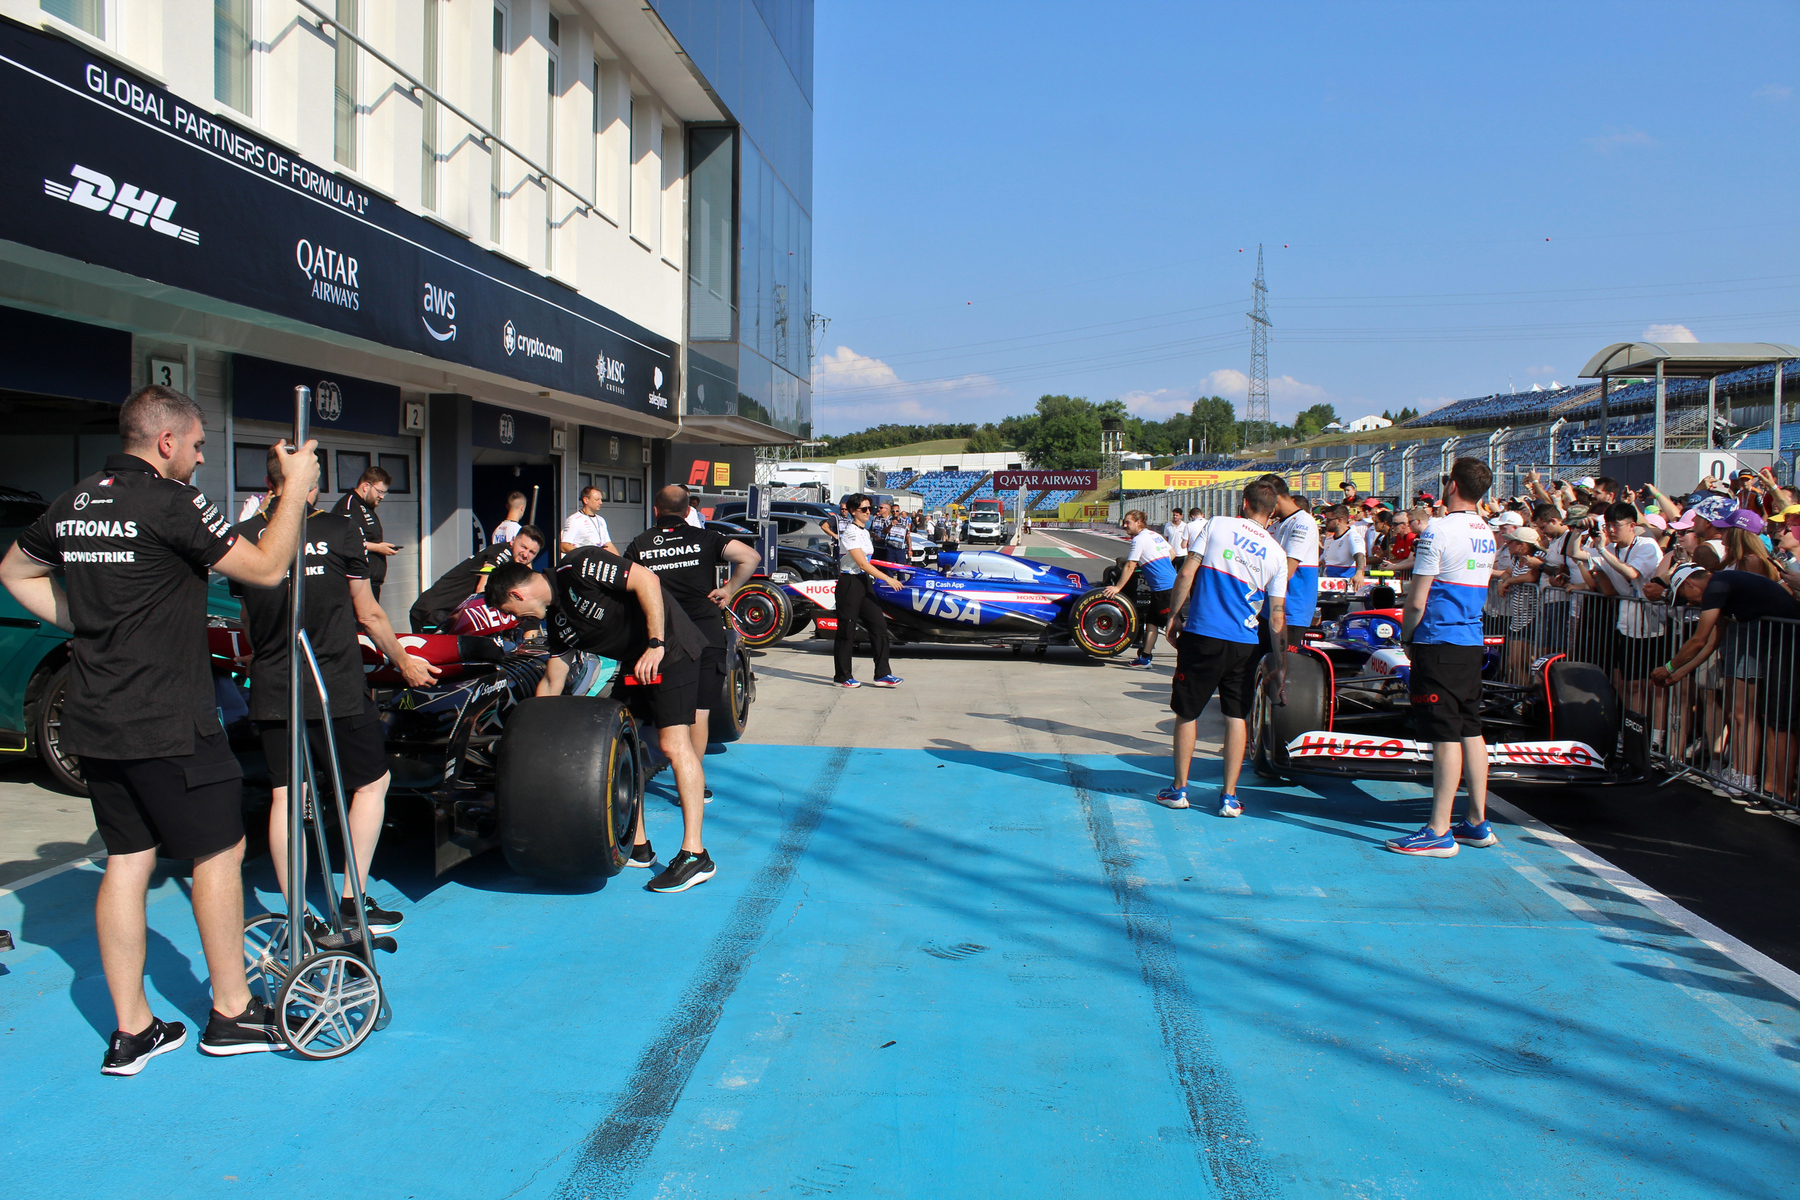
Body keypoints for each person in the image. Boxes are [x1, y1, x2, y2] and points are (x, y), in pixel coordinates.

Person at [0, 385, 324, 1072]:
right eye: (200, 444)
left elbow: (14, 570)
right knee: (217, 853)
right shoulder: (172, 502)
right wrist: (295, 487)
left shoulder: (78, 500)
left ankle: (132, 1032)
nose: (203, 457)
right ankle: (232, 1014)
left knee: (128, 859)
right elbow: (266, 569)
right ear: (167, 442)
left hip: (94, 718)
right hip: (169, 718)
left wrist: (87, 621)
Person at [236, 447, 439, 937]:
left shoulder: (244, 536)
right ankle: (351, 902)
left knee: (288, 795)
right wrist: (404, 660)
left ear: (267, 483)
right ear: (309, 485)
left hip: (274, 683)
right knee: (371, 782)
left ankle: (298, 918)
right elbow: (367, 612)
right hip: (335, 682)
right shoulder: (336, 529)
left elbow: (246, 620)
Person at [485, 546, 716, 891]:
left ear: (516, 594)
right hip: (636, 663)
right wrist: (530, 735)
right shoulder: (559, 620)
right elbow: (553, 679)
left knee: (672, 744)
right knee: (626, 745)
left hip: (670, 649)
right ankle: (639, 847)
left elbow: (647, 580)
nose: (517, 620)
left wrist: (656, 642)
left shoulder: (578, 566)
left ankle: (695, 855)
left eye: (511, 611)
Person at [1386, 457, 1499, 858]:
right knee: (1471, 729)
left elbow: (1417, 598)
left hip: (1439, 640)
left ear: (1451, 485)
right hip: (1470, 641)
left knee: (1446, 733)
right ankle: (1475, 821)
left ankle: (1438, 830)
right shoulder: (1486, 530)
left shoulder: (1439, 530)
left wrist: (1407, 637)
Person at [1160, 481, 1288, 816]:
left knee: (1187, 712)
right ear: (1272, 512)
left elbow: (1187, 572)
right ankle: (1229, 796)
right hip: (1245, 643)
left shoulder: (1216, 524)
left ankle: (1179, 789)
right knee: (1236, 716)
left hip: (1203, 634)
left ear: (1244, 502)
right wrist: (1281, 662)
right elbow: (1276, 617)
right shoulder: (1276, 553)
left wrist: (1173, 616)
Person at [625, 484, 761, 795]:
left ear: (656, 510)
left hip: (663, 638)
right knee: (699, 711)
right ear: (689, 511)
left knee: (664, 707)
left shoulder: (641, 544)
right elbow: (750, 557)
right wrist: (729, 589)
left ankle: (641, 766)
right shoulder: (706, 538)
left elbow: (627, 585)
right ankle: (692, 785)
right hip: (705, 634)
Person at [410, 525, 545, 633]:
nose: (525, 554)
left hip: (448, 616)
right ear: (513, 541)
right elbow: (483, 587)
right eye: (523, 547)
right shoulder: (503, 552)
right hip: (432, 613)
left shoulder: (515, 566)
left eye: (532, 552)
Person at [833, 493, 904, 689]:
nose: (868, 512)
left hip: (864, 582)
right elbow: (862, 563)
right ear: (853, 511)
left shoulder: (864, 531)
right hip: (849, 582)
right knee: (846, 630)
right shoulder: (850, 532)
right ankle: (842, 676)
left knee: (879, 627)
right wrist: (888, 578)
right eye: (864, 509)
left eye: (869, 508)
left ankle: (882, 674)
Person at [1105, 510, 1176, 667]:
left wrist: (1117, 588)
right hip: (1168, 585)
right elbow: (1173, 553)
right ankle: (1145, 657)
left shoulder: (1139, 540)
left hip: (1165, 588)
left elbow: (1130, 565)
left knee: (1175, 625)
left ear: (1138, 522)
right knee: (1151, 622)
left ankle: (1194, 655)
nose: (1124, 525)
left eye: (1127, 522)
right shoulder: (1154, 535)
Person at [332, 465, 398, 601]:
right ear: (366, 486)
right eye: (379, 491)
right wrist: (378, 548)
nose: (382, 497)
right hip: (358, 583)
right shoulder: (348, 506)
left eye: (384, 493)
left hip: (372, 582)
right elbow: (343, 541)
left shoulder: (367, 506)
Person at [1267, 477, 1320, 643]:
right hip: (1272, 607)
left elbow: (1288, 569)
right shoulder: (1277, 525)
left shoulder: (1303, 522)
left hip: (1292, 610)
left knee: (1284, 663)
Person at [560, 486, 617, 557]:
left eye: (601, 499)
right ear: (586, 500)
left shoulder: (601, 520)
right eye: (597, 500)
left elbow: (609, 545)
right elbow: (564, 546)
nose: (600, 502)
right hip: (584, 564)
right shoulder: (574, 520)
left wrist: (622, 564)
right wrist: (586, 555)